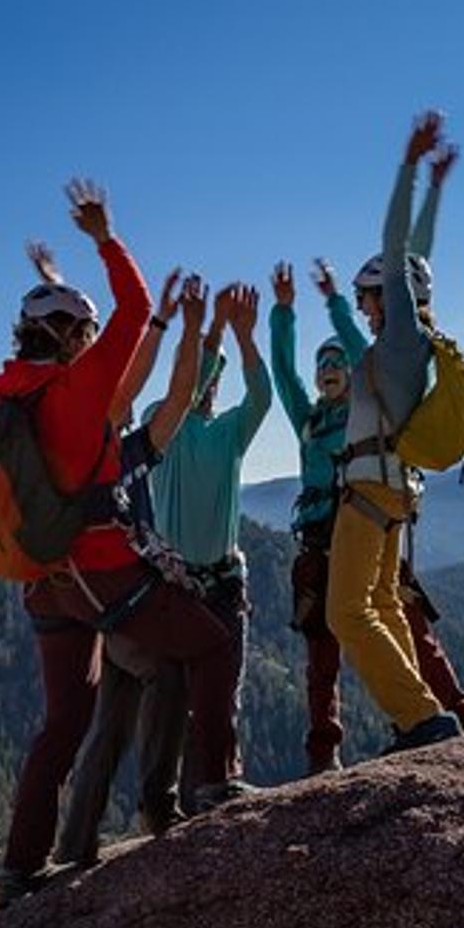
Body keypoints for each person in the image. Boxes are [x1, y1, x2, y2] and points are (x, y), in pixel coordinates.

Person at [0, 180, 240, 910]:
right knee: (210, 644)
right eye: (84, 337)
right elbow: (129, 320)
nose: (95, 348)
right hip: (99, 569)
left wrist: (53, 284)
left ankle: (21, 867)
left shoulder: (8, 399)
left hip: (43, 580)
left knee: (68, 717)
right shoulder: (77, 399)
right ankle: (211, 785)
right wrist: (104, 237)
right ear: (71, 339)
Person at [270, 247, 464, 774]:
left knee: (357, 615)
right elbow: (283, 376)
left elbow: (364, 337)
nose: (330, 370)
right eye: (324, 364)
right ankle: (407, 724)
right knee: (374, 612)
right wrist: (283, 315)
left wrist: (337, 301)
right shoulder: (311, 420)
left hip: (366, 503)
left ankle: (432, 717)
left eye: (337, 361)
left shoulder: (374, 379)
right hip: (333, 530)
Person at [52, 272, 212, 869]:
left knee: (112, 721)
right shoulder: (99, 444)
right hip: (115, 597)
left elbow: (178, 397)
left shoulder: (129, 448)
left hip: (111, 599)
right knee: (168, 673)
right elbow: (144, 388)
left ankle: (75, 843)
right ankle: (158, 804)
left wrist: (191, 328)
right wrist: (167, 323)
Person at [324, 111, 464, 752]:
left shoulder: (403, 341)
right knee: (380, 605)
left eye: (368, 297)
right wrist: (435, 189)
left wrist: (409, 167)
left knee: (346, 612)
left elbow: (401, 251)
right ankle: (421, 714)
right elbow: (415, 261)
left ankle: (420, 719)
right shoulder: (407, 344)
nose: (364, 307)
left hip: (370, 491)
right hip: (392, 491)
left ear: (390, 295)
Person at [143, 281, 270, 811]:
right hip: (180, 586)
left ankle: (209, 789)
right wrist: (212, 330)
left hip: (217, 582)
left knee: (218, 693)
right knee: (178, 699)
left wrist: (243, 336)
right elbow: (183, 387)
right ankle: (178, 797)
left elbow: (260, 396)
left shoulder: (227, 433)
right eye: (201, 379)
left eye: (211, 381)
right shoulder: (162, 425)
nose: (208, 389)